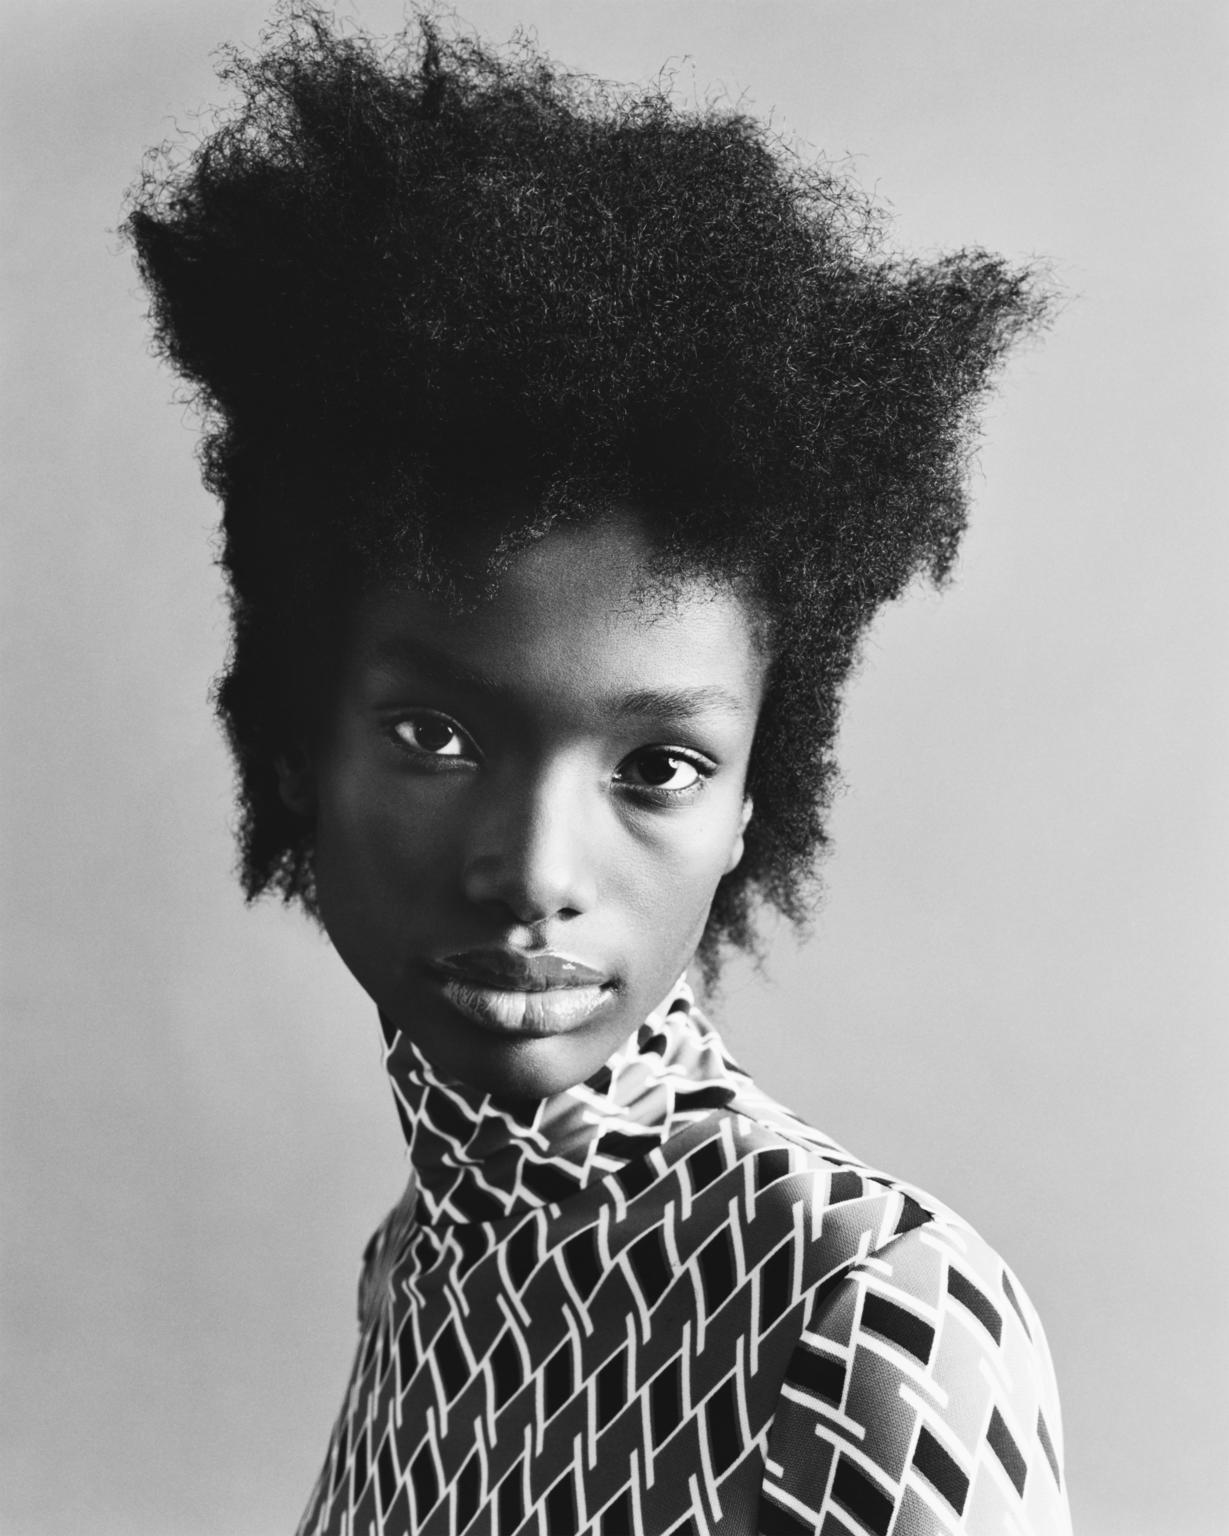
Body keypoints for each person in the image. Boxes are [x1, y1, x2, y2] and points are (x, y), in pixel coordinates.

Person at [125, 6, 1072, 1532]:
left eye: (657, 765)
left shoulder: (867, 1306)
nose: (534, 871)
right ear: (296, 746)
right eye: (436, 737)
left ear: (753, 801)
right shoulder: (421, 1265)